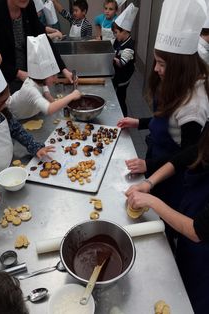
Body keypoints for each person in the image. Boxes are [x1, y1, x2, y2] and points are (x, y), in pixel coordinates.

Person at [117, 0, 209, 210]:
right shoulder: (176, 81)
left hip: (174, 177)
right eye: (155, 61)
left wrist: (149, 167)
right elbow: (167, 119)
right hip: (158, 156)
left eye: (162, 64)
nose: (156, 69)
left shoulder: (194, 105)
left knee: (162, 217)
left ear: (180, 66)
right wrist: (139, 122)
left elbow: (188, 155)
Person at [126, 122, 209, 314]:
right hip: (193, 232)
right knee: (181, 278)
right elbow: (192, 152)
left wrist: (152, 201)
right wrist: (148, 182)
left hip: (204, 256)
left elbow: (198, 231)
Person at [0, 38, 54, 176]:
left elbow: (17, 131)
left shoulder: (3, 113)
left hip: (10, 167)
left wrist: (35, 147)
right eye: (0, 104)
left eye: (6, 99)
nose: (5, 105)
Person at [0, 0, 73, 93]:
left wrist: (63, 69)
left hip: (29, 79)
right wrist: (18, 74)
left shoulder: (28, 6)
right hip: (4, 83)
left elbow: (43, 37)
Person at [7, 34, 81, 120]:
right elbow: (48, 109)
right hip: (15, 116)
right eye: (53, 75)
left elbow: (46, 92)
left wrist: (53, 100)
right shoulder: (30, 90)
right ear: (42, 76)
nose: (56, 79)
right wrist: (71, 96)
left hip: (31, 114)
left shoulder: (40, 81)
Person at [112, 3, 138, 117]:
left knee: (121, 98)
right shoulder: (119, 40)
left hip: (124, 77)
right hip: (117, 75)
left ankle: (123, 117)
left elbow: (122, 63)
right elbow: (114, 49)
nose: (115, 35)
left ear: (124, 31)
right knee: (116, 95)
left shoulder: (129, 47)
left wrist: (110, 57)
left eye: (116, 32)